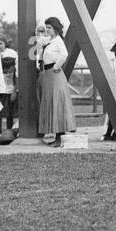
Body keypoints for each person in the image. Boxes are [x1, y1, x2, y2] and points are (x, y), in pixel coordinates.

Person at [35, 17, 76, 147]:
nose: (47, 30)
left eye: (49, 28)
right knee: (50, 102)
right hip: (48, 74)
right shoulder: (49, 40)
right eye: (46, 27)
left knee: (57, 103)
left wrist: (56, 67)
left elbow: (64, 55)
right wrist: (40, 30)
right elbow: (39, 39)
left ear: (55, 29)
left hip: (54, 74)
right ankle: (56, 137)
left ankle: (59, 138)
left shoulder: (58, 41)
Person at [0, 37, 18, 137]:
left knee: (10, 110)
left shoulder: (11, 53)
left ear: (5, 44)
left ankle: (9, 130)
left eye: (1, 43)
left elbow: (15, 69)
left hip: (9, 85)